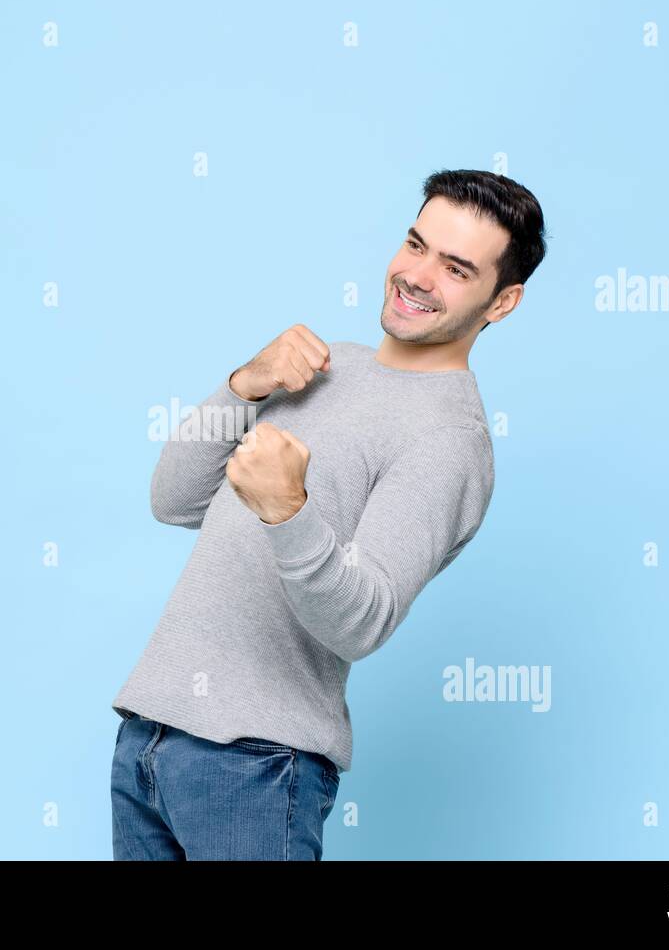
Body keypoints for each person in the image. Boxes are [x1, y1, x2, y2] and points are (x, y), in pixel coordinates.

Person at [111, 169, 548, 860]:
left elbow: (363, 618)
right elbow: (173, 498)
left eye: (457, 268)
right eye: (416, 244)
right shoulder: (325, 364)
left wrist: (288, 509)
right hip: (149, 739)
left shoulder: (451, 442)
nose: (418, 275)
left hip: (256, 767)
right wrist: (241, 384)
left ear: (503, 301)